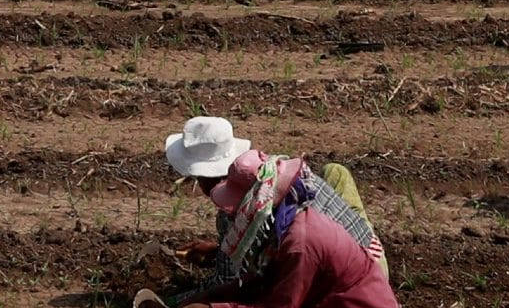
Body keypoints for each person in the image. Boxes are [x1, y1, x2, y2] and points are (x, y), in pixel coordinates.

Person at [169, 148, 400, 308]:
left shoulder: (299, 243)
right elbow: (259, 281)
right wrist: (210, 299)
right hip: (337, 301)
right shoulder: (287, 222)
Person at [165, 115, 387, 286]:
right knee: (335, 172)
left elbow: (228, 285)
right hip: (371, 255)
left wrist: (173, 303)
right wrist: (218, 251)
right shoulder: (275, 172)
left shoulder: (230, 216)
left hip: (355, 283)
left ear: (204, 181)